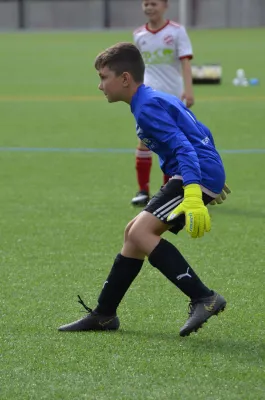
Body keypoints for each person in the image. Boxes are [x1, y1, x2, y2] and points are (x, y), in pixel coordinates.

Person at [58, 43, 229, 337]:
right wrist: (211, 170)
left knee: (140, 233)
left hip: (192, 175)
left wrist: (195, 188)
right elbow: (200, 130)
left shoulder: (147, 106)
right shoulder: (150, 99)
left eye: (103, 77)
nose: (100, 86)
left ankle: (205, 297)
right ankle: (104, 314)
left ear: (125, 78)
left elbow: (183, 146)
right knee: (132, 233)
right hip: (196, 172)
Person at [132, 0, 194, 206]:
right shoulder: (139, 34)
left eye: (154, 3)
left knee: (171, 143)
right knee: (145, 141)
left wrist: (189, 89)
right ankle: (143, 191)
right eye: (146, 3)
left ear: (165, 5)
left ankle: (170, 191)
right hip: (147, 98)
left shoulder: (177, 31)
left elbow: (185, 62)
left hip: (172, 97)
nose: (149, 7)